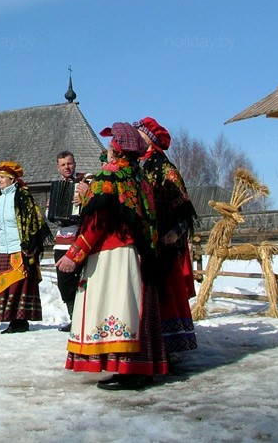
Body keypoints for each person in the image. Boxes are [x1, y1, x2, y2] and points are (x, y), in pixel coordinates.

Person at [55, 122, 168, 390]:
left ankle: (128, 370)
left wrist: (74, 254)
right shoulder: (140, 179)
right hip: (139, 255)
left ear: (116, 149)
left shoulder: (109, 176)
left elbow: (97, 222)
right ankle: (139, 367)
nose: (108, 149)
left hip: (113, 254)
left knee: (118, 307)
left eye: (110, 144)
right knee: (133, 309)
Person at [133, 116, 198, 355]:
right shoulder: (139, 167)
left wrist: (174, 233)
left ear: (150, 140)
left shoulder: (166, 169)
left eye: (139, 135)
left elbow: (185, 210)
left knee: (165, 295)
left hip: (164, 246)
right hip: (146, 243)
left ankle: (167, 349)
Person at [0, 161, 51, 334]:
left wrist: (29, 243)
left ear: (12, 179)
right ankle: (12, 319)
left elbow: (33, 220)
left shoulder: (23, 196)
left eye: (2, 177)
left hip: (19, 248)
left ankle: (20, 320)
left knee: (18, 284)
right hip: (3, 249)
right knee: (5, 285)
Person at [48, 151, 85, 332]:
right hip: (62, 239)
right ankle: (73, 318)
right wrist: (51, 209)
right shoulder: (57, 186)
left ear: (74, 163)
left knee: (81, 280)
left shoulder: (85, 182)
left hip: (79, 236)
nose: (67, 167)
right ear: (58, 167)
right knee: (64, 282)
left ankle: (84, 319)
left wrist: (84, 198)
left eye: (69, 163)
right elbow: (51, 216)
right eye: (63, 165)